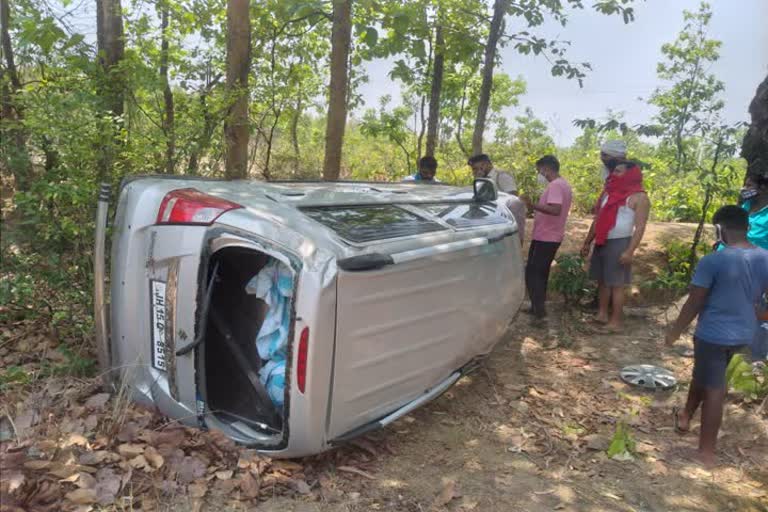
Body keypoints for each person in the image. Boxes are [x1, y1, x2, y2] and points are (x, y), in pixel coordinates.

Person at [665, 206, 768, 467]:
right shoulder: (764, 258)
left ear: (720, 229)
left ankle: (706, 452)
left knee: (715, 389)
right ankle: (686, 414)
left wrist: (675, 331)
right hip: (745, 333)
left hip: (712, 334)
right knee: (705, 375)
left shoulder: (713, 261)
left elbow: (694, 301)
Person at [581, 152, 650, 332]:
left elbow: (640, 227)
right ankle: (602, 314)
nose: (613, 175)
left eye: (618, 171)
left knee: (617, 285)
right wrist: (588, 242)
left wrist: (629, 251)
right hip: (603, 241)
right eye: (613, 172)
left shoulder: (639, 197)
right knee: (602, 281)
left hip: (620, 243)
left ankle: (616, 322)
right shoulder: (608, 194)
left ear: (630, 174)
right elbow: (598, 220)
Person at [521, 155, 572, 319]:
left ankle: (539, 310)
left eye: (539, 170)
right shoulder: (562, 184)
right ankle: (537, 307)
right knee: (540, 272)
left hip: (546, 237)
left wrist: (531, 205)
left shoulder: (556, 186)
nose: (539, 174)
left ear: (546, 168)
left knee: (533, 272)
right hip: (548, 235)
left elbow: (555, 209)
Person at [739, 170, 768, 364]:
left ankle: (756, 355)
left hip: (760, 267)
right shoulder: (746, 206)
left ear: (763, 189)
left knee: (757, 308)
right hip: (736, 263)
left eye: (750, 186)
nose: (746, 189)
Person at [467, 153, 526, 244]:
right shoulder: (482, 179)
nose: (474, 171)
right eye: (473, 169)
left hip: (507, 221)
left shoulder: (501, 175)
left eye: (475, 168)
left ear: (485, 164)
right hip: (492, 221)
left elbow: (513, 197)